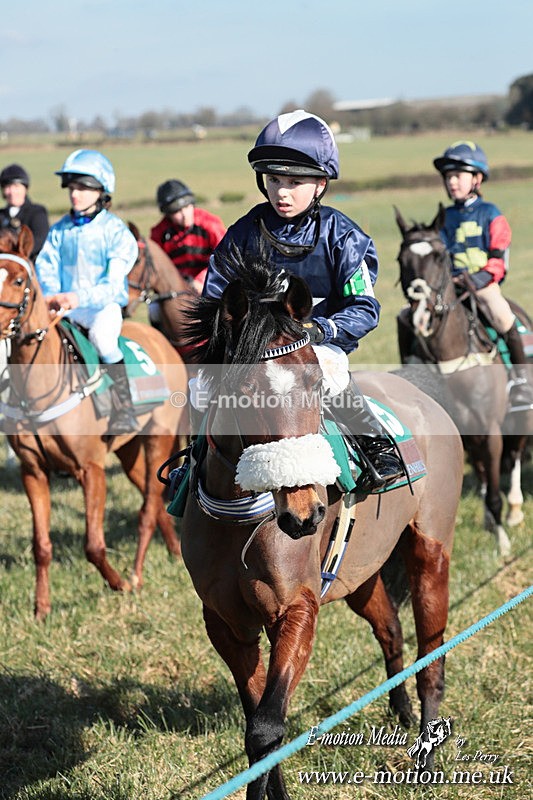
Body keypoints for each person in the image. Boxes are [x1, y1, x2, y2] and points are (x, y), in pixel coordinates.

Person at [201, 109, 404, 491]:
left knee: (331, 371)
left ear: (321, 185)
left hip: (317, 346)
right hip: (254, 353)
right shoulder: (243, 233)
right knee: (204, 389)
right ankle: (195, 460)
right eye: (274, 179)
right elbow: (215, 296)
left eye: (295, 181)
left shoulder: (344, 236)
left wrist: (321, 330)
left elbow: (364, 306)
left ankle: (376, 447)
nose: (281, 191)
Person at [398, 140, 532, 407]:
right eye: (448, 177)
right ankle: (411, 374)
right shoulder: (444, 218)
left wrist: (478, 278)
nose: (452, 182)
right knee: (406, 315)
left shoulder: (490, 213)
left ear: (477, 179)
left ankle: (522, 381)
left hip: (482, 284)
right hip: (447, 286)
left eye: (458, 175)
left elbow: (499, 257)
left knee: (504, 317)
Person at [35, 149, 140, 436]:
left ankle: (125, 409)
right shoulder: (58, 232)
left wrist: (78, 298)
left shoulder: (117, 232)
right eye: (72, 187)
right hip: (64, 307)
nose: (74, 194)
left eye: (82, 187)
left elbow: (111, 284)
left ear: (101, 191)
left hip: (102, 309)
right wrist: (50, 295)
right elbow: (45, 268)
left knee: (103, 340)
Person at [150, 179, 226, 294]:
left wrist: (202, 280)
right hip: (176, 289)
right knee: (154, 309)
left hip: (210, 282)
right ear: (168, 214)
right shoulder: (159, 233)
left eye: (187, 207)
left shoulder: (211, 224)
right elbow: (156, 266)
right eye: (177, 212)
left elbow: (224, 256)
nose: (185, 215)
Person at [0, 163, 49, 259]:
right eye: (8, 187)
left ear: (25, 188)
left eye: (16, 186)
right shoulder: (1, 215)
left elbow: (39, 241)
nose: (12, 192)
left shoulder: (37, 212)